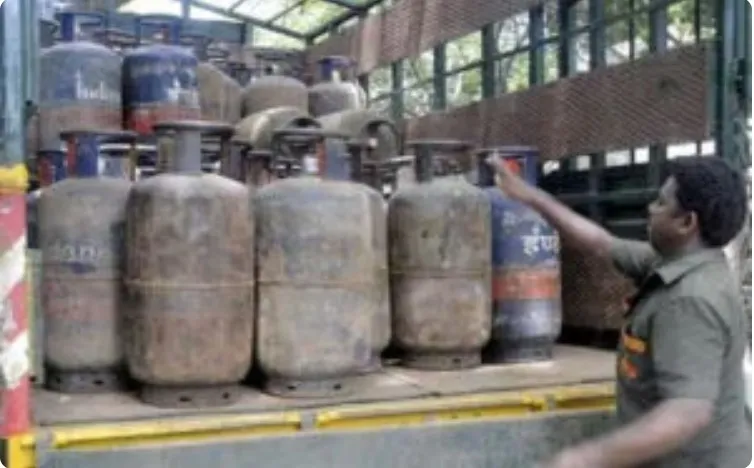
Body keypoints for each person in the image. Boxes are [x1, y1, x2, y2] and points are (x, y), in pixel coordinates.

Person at [486, 155, 751, 468]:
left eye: (661, 203)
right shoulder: (676, 263)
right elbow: (601, 243)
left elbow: (687, 412)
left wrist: (581, 458)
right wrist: (531, 196)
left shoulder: (689, 300)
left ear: (686, 223)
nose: (650, 208)